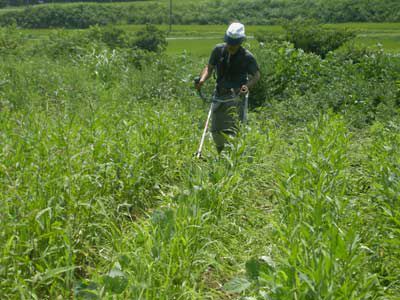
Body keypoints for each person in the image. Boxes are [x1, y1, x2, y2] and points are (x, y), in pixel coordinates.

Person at [195, 22, 260, 153]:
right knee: (216, 129)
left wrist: (246, 87)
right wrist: (202, 80)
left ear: (240, 42)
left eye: (234, 43)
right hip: (219, 94)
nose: (231, 45)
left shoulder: (247, 57)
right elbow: (209, 68)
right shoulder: (218, 50)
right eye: (229, 42)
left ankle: (234, 156)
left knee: (234, 128)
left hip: (237, 96)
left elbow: (256, 75)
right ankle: (220, 153)